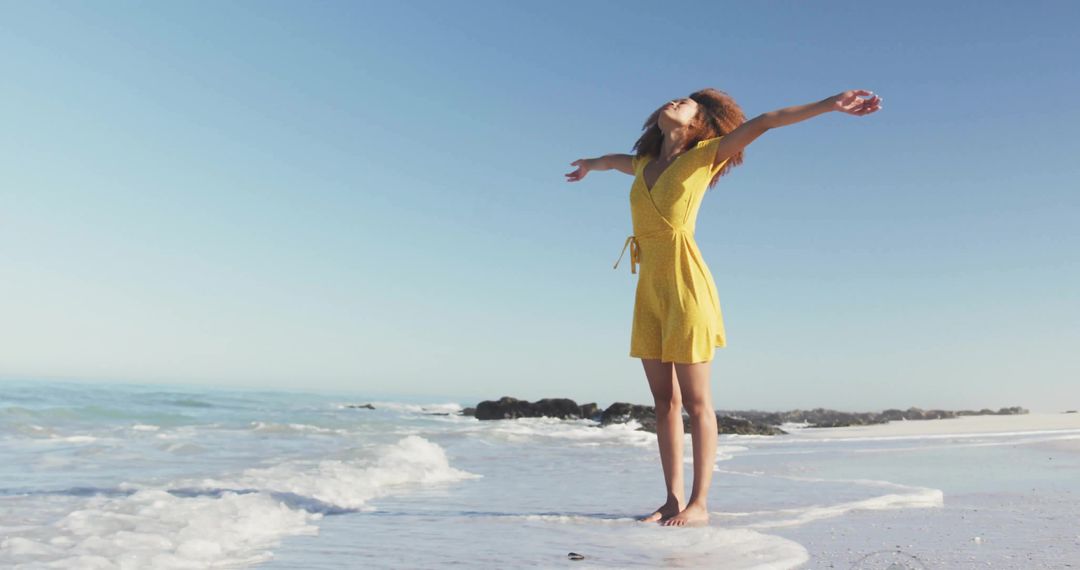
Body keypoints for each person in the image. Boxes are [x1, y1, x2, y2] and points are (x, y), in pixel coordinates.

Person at [564, 88, 883, 526]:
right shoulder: (642, 166)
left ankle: (700, 504)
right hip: (649, 290)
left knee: (697, 402)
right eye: (672, 99)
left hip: (686, 282)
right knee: (663, 403)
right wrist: (588, 166)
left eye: (686, 102)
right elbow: (610, 161)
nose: (672, 101)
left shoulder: (704, 156)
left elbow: (768, 119)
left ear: (700, 122)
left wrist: (829, 104)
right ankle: (672, 500)